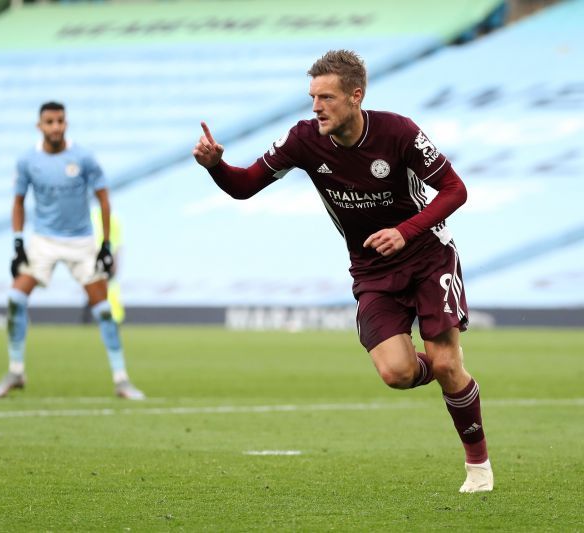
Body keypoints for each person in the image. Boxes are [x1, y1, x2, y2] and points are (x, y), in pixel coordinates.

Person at [192, 50, 492, 493]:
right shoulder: (303, 139)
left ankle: (478, 466)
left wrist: (405, 231)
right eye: (312, 98)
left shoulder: (398, 131)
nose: (315, 107)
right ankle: (449, 375)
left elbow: (455, 189)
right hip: (372, 269)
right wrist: (217, 166)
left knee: (447, 362)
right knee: (398, 374)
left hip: (428, 255)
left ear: (356, 96)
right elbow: (244, 185)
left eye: (326, 98)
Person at [0, 101, 145, 400]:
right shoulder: (27, 161)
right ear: (40, 126)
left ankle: (121, 378)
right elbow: (18, 203)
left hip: (81, 241)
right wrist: (18, 242)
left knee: (103, 310)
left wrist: (106, 245)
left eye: (60, 121)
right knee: (15, 297)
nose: (55, 127)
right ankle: (16, 370)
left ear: (66, 123)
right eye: (49, 122)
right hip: (44, 241)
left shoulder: (83, 157)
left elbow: (104, 200)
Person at [91, 206, 125, 324]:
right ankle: (104, 316)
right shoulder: (94, 215)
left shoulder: (112, 217)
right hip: (98, 254)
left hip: (105, 254)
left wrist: (115, 257)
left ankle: (113, 316)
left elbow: (117, 241)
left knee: (108, 285)